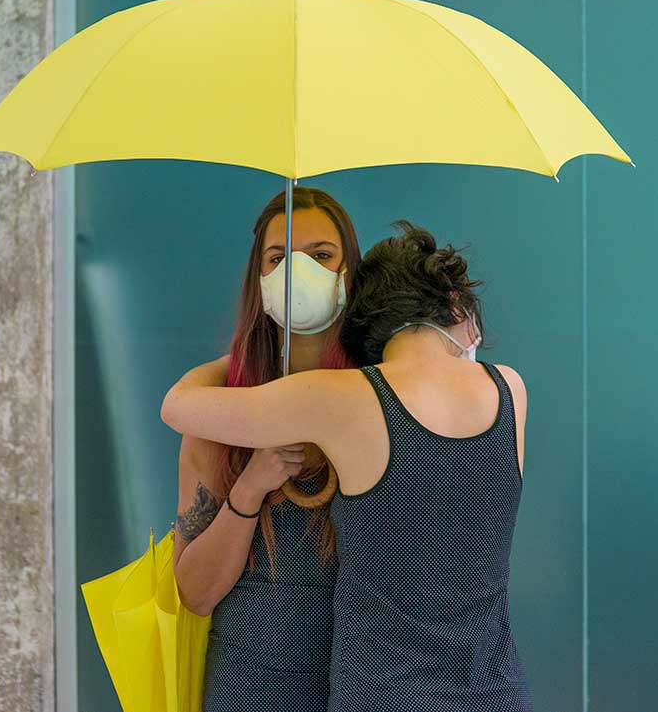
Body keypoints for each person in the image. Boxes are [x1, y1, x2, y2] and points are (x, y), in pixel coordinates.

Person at [162, 221, 533, 712]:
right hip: (496, 693)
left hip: (382, 694)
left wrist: (239, 355)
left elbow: (178, 406)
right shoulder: (511, 389)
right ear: (455, 303)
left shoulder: (346, 399)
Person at [170, 186, 361, 712]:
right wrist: (251, 485)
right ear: (260, 278)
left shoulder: (382, 400)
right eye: (280, 258)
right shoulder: (217, 413)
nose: (300, 273)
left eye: (321, 256)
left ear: (350, 272)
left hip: (370, 685)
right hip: (249, 689)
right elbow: (196, 592)